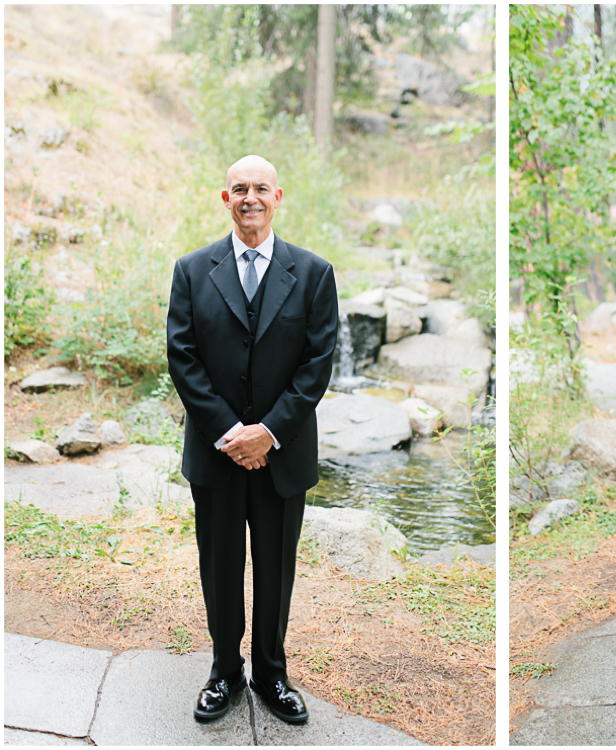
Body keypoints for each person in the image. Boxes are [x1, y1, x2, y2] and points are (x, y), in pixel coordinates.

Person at [167, 155, 338, 723]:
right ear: (225, 198)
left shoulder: (314, 273)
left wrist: (267, 433)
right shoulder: (192, 271)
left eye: (260, 188)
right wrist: (228, 432)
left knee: (274, 569)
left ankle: (271, 674)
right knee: (218, 566)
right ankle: (224, 673)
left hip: (280, 455)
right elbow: (183, 359)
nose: (250, 198)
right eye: (239, 188)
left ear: (278, 196)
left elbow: (317, 365)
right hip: (216, 456)